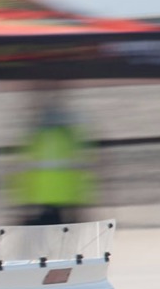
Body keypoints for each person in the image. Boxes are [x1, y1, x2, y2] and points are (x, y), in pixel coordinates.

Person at [6, 88, 97, 226]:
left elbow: (19, 168)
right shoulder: (68, 134)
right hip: (58, 201)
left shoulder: (37, 134)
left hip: (47, 201)